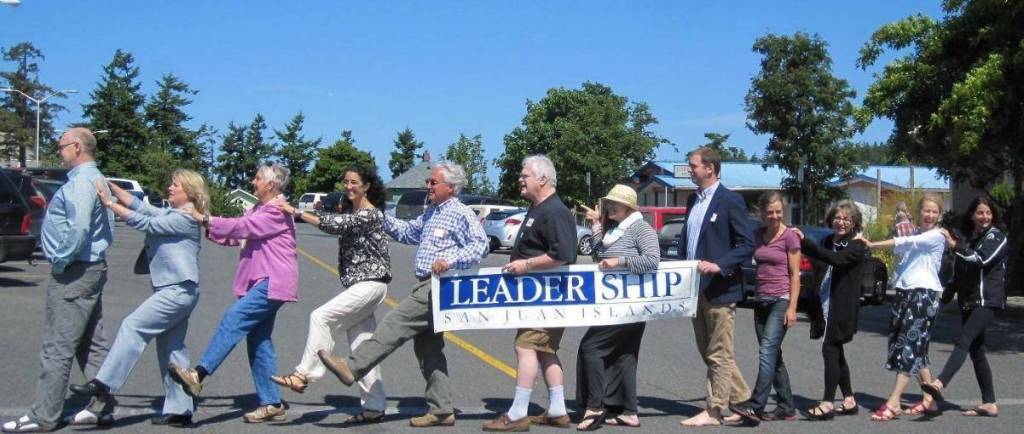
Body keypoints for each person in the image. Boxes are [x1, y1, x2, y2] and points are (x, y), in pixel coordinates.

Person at [317, 162, 488, 428]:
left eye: (433, 182)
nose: (427, 186)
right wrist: (376, 215)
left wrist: (450, 260)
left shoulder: (460, 212)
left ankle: (352, 367)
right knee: (429, 351)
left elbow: (480, 245)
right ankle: (442, 410)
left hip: (439, 286)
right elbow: (407, 232)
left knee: (395, 322)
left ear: (451, 187)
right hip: (425, 284)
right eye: (428, 181)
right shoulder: (432, 212)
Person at [68, 170, 209, 427]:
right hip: (178, 290)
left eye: (175, 185)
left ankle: (104, 382)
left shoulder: (186, 218)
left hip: (177, 291)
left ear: (189, 191)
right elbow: (142, 208)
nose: (169, 188)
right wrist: (110, 185)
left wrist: (109, 204)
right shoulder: (173, 212)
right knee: (172, 349)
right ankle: (180, 410)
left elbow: (145, 223)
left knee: (133, 326)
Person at [3, 128, 116, 433]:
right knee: (91, 343)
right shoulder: (94, 178)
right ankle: (102, 406)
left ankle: (44, 416)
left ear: (77, 147)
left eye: (62, 146)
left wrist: (62, 260)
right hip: (90, 267)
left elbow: (78, 229)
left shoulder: (81, 182)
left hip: (75, 270)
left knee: (57, 347)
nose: (59, 151)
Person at [168, 163, 299, 423]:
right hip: (261, 282)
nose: (253, 182)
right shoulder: (259, 208)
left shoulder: (276, 209)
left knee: (233, 319)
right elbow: (238, 235)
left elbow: (244, 227)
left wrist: (205, 218)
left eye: (258, 178)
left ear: (271, 185)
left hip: (272, 282)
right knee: (259, 343)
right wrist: (206, 223)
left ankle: (198, 374)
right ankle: (272, 403)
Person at [269, 164, 391, 425]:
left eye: (354, 182)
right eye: (346, 182)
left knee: (321, 317)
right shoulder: (352, 210)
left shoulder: (370, 214)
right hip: (360, 286)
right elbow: (338, 220)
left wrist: (296, 211)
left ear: (367, 186)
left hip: (371, 285)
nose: (348, 186)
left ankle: (303, 374)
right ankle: (374, 406)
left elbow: (335, 224)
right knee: (362, 347)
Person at [482, 155, 579, 432]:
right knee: (545, 351)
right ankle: (558, 411)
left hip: (546, 297)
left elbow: (563, 254)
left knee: (525, 346)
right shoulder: (539, 209)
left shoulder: (555, 211)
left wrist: (526, 265)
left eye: (525, 175)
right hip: (536, 298)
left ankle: (517, 414)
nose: (520, 180)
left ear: (542, 179)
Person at [676, 147, 755, 427]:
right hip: (695, 288)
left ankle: (714, 410)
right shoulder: (693, 200)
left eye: (693, 165)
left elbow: (747, 244)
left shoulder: (730, 200)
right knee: (707, 350)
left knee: (719, 352)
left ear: (710, 168)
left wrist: (719, 265)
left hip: (720, 288)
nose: (690, 170)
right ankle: (744, 399)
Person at [574, 184, 659, 430]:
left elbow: (652, 260)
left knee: (590, 347)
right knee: (624, 356)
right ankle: (628, 411)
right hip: (613, 303)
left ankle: (595, 405)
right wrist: (596, 226)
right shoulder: (615, 229)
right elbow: (599, 256)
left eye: (615, 203)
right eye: (609, 202)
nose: (609, 206)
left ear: (628, 207)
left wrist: (619, 262)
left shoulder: (641, 228)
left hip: (630, 304)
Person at [920, 196, 1007, 417]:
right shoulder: (971, 239)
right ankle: (989, 402)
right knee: (977, 351)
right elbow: (959, 273)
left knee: (964, 339)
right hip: (968, 301)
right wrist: (943, 300)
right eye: (980, 213)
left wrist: (954, 245)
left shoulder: (996, 236)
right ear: (972, 215)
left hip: (987, 300)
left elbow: (980, 260)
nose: (984, 217)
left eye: (988, 213)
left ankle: (939, 383)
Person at [865, 194, 946, 421]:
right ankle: (929, 401)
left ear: (939, 215)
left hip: (924, 293)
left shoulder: (937, 236)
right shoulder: (915, 233)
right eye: (926, 210)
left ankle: (894, 402)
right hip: (905, 291)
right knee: (917, 349)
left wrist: (872, 244)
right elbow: (902, 257)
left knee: (908, 345)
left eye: (935, 212)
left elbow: (904, 244)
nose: (930, 215)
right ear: (918, 212)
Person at [793, 200, 869, 420]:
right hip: (823, 302)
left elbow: (836, 260)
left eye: (847, 219)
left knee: (830, 349)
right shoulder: (827, 240)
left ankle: (827, 403)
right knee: (837, 351)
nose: (841, 222)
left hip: (842, 306)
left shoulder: (856, 245)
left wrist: (806, 242)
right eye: (837, 217)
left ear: (854, 222)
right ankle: (849, 399)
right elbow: (817, 262)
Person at [729, 191, 800, 423]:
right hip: (760, 301)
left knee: (767, 351)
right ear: (761, 213)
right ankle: (786, 406)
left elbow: (795, 275)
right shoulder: (757, 235)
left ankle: (756, 405)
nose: (775, 216)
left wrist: (792, 308)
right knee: (773, 355)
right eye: (770, 212)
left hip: (781, 300)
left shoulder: (790, 237)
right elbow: (739, 248)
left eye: (778, 212)